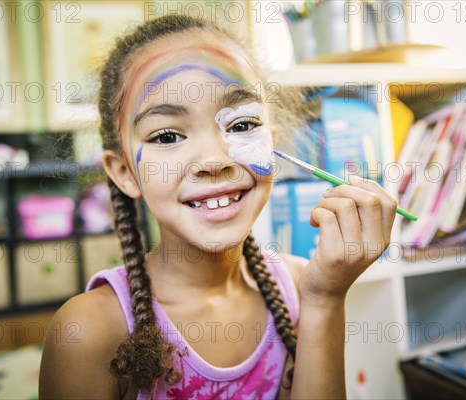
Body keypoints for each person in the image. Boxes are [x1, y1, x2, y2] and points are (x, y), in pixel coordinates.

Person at [39, 14, 397, 400]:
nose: (214, 159)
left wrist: (326, 300)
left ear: (272, 144)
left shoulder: (303, 288)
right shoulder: (88, 331)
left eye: (242, 125)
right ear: (124, 172)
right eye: (168, 135)